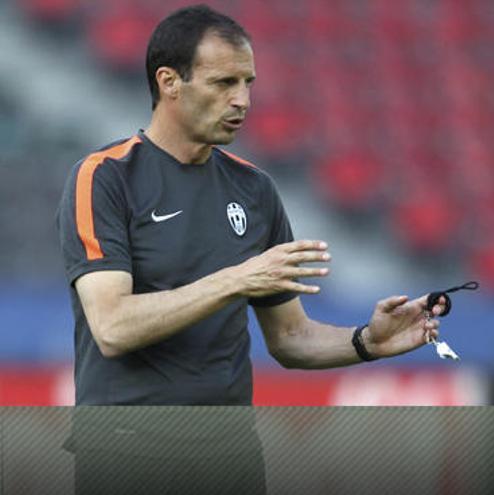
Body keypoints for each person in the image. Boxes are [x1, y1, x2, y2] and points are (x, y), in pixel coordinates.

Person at [56, 6, 447, 492]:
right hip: (125, 451)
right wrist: (237, 279)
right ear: (169, 82)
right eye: (224, 83)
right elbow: (112, 326)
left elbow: (290, 339)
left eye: (248, 83)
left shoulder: (254, 189)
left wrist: (367, 341)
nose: (242, 100)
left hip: (230, 454)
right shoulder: (106, 177)